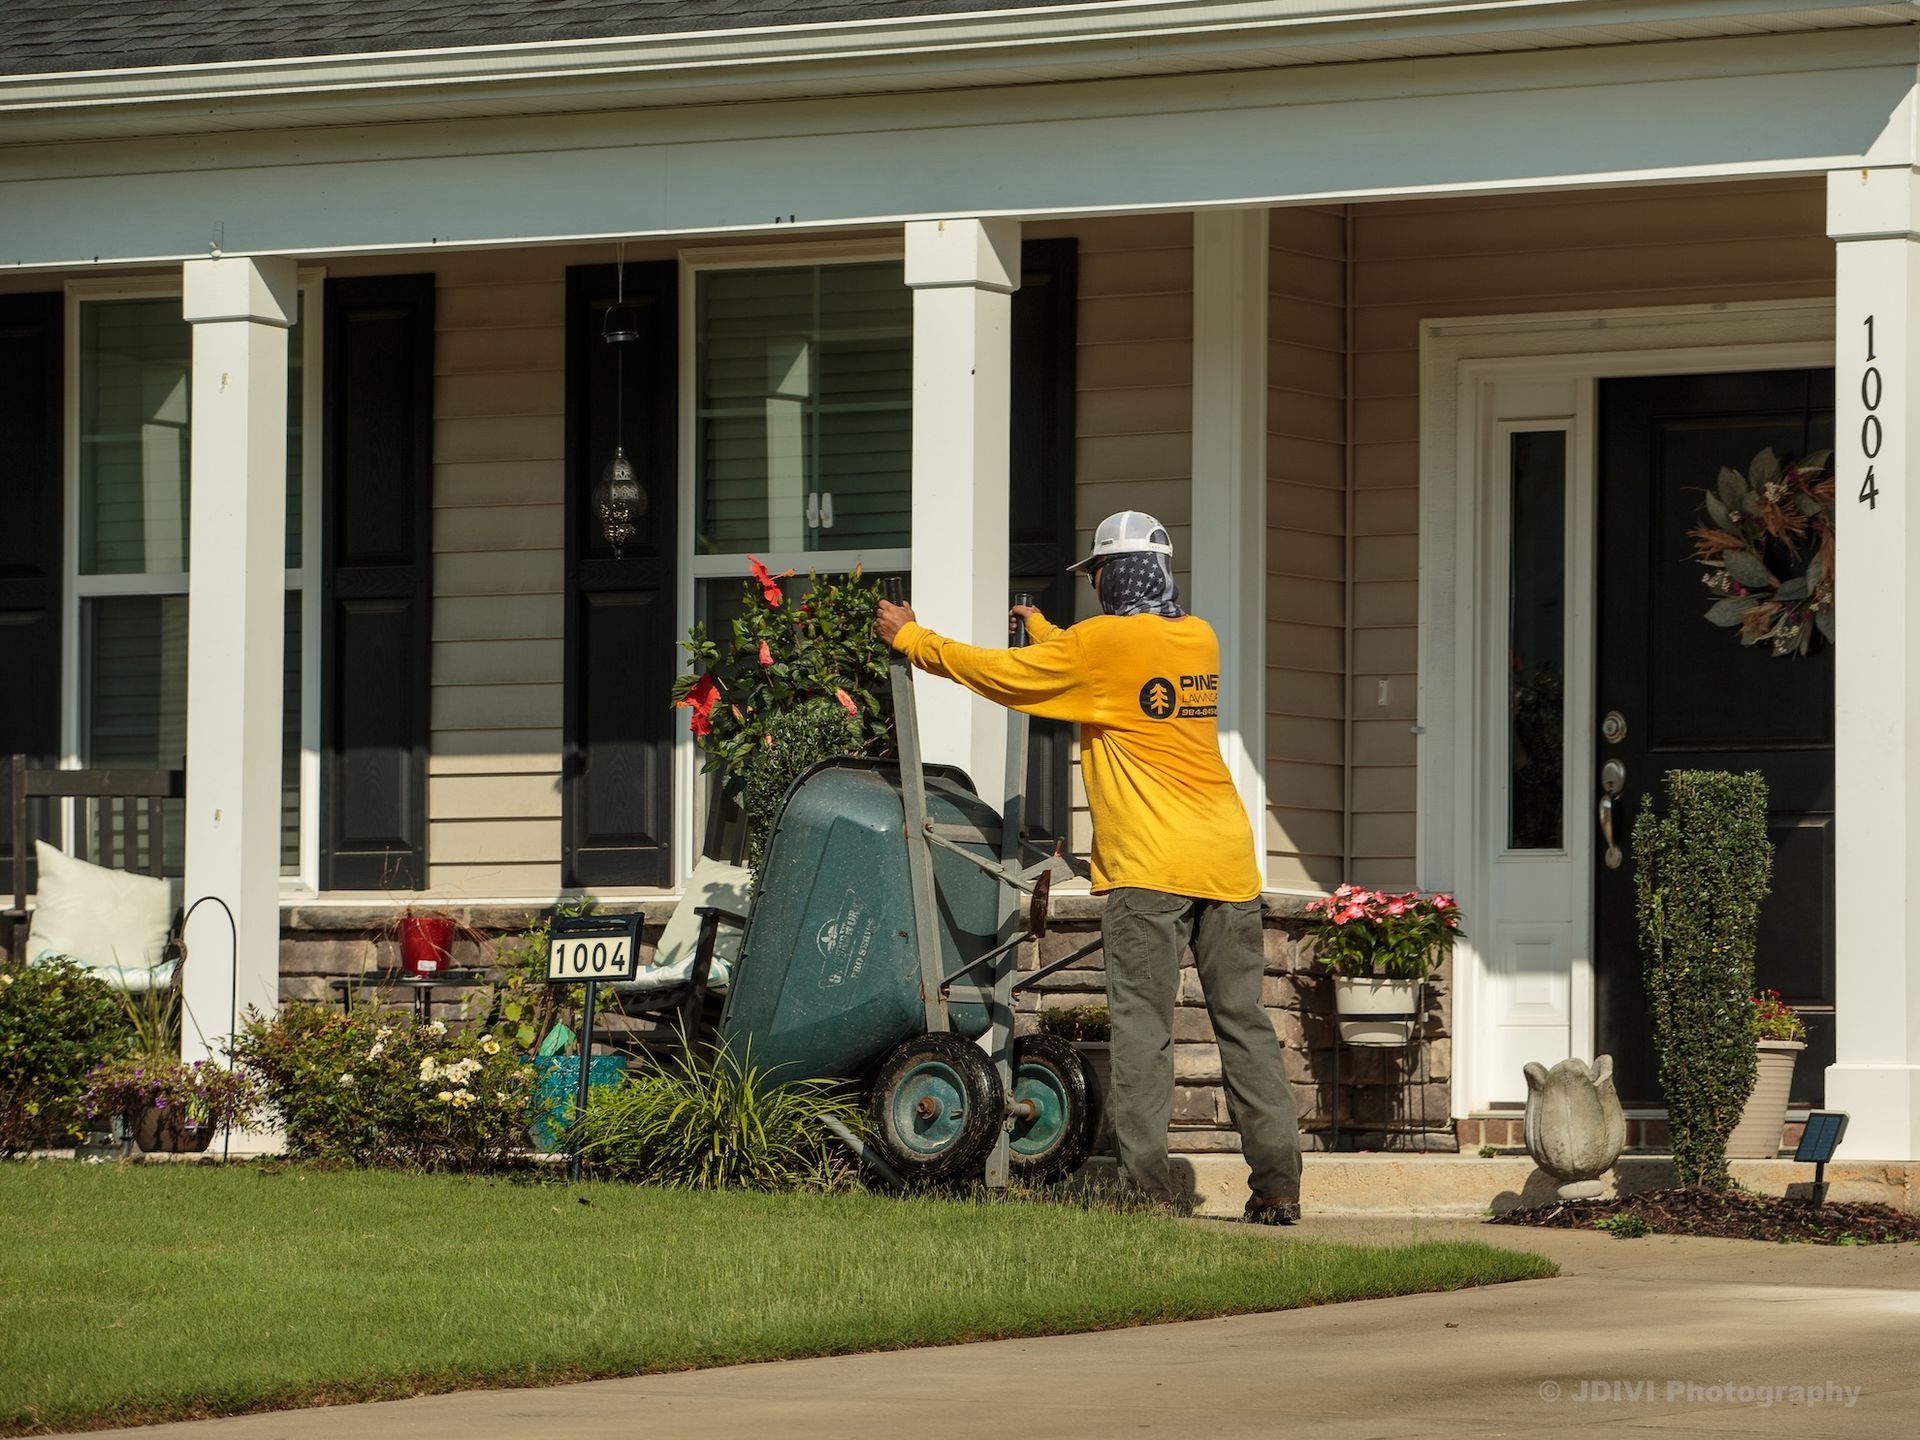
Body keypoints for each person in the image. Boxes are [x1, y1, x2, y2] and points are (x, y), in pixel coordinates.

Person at [876, 511, 1302, 1222]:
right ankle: (1280, 1185)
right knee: (1244, 1024)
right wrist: (1045, 631)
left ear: (1114, 575)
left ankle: (1145, 1195)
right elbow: (1099, 662)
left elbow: (1004, 676)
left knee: (1143, 1029)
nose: (1097, 584)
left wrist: (914, 640)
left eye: (1099, 573)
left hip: (1152, 868)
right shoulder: (1196, 637)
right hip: (1228, 862)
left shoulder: (1100, 648)